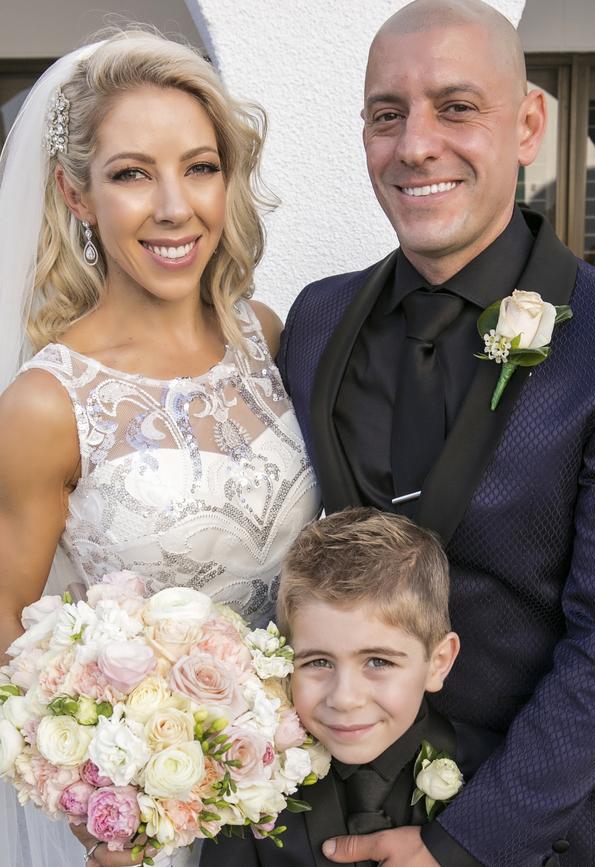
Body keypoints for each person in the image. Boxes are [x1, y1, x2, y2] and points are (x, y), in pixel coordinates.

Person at [277, 1, 595, 866]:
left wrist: (470, 844)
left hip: (553, 833)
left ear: (527, 125)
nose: (414, 145)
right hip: (322, 825)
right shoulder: (317, 317)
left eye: (456, 107)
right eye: (385, 115)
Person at [0, 29, 320, 867]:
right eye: (133, 173)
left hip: (297, 792)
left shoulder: (268, 336)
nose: (175, 205)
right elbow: (5, 619)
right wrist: (83, 779)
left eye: (200, 166)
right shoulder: (45, 404)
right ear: (76, 194)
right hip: (147, 816)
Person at [200, 507, 462, 867]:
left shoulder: (492, 781)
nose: (344, 698)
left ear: (439, 662)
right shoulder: (248, 789)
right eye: (318, 662)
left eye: (378, 662)